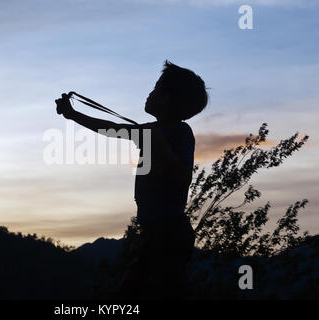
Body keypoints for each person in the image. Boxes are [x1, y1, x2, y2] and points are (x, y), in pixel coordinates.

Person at [55, 60, 208, 299]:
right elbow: (110, 127)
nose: (149, 93)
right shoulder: (149, 132)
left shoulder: (180, 132)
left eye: (156, 88)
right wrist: (72, 114)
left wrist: (162, 150)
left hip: (169, 234)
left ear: (166, 99)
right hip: (154, 234)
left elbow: (183, 176)